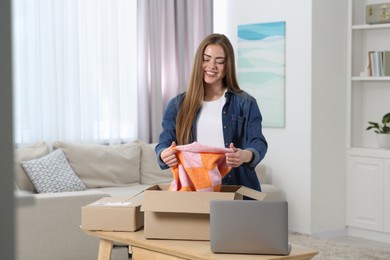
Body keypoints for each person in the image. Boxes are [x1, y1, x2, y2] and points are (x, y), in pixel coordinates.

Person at [155, 33, 268, 191]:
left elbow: (258, 142)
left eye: (219, 61)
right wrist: (163, 153)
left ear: (227, 65)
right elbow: (164, 142)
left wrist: (245, 155)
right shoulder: (177, 105)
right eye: (206, 59)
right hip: (194, 190)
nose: (211, 66)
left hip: (237, 187)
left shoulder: (246, 103)